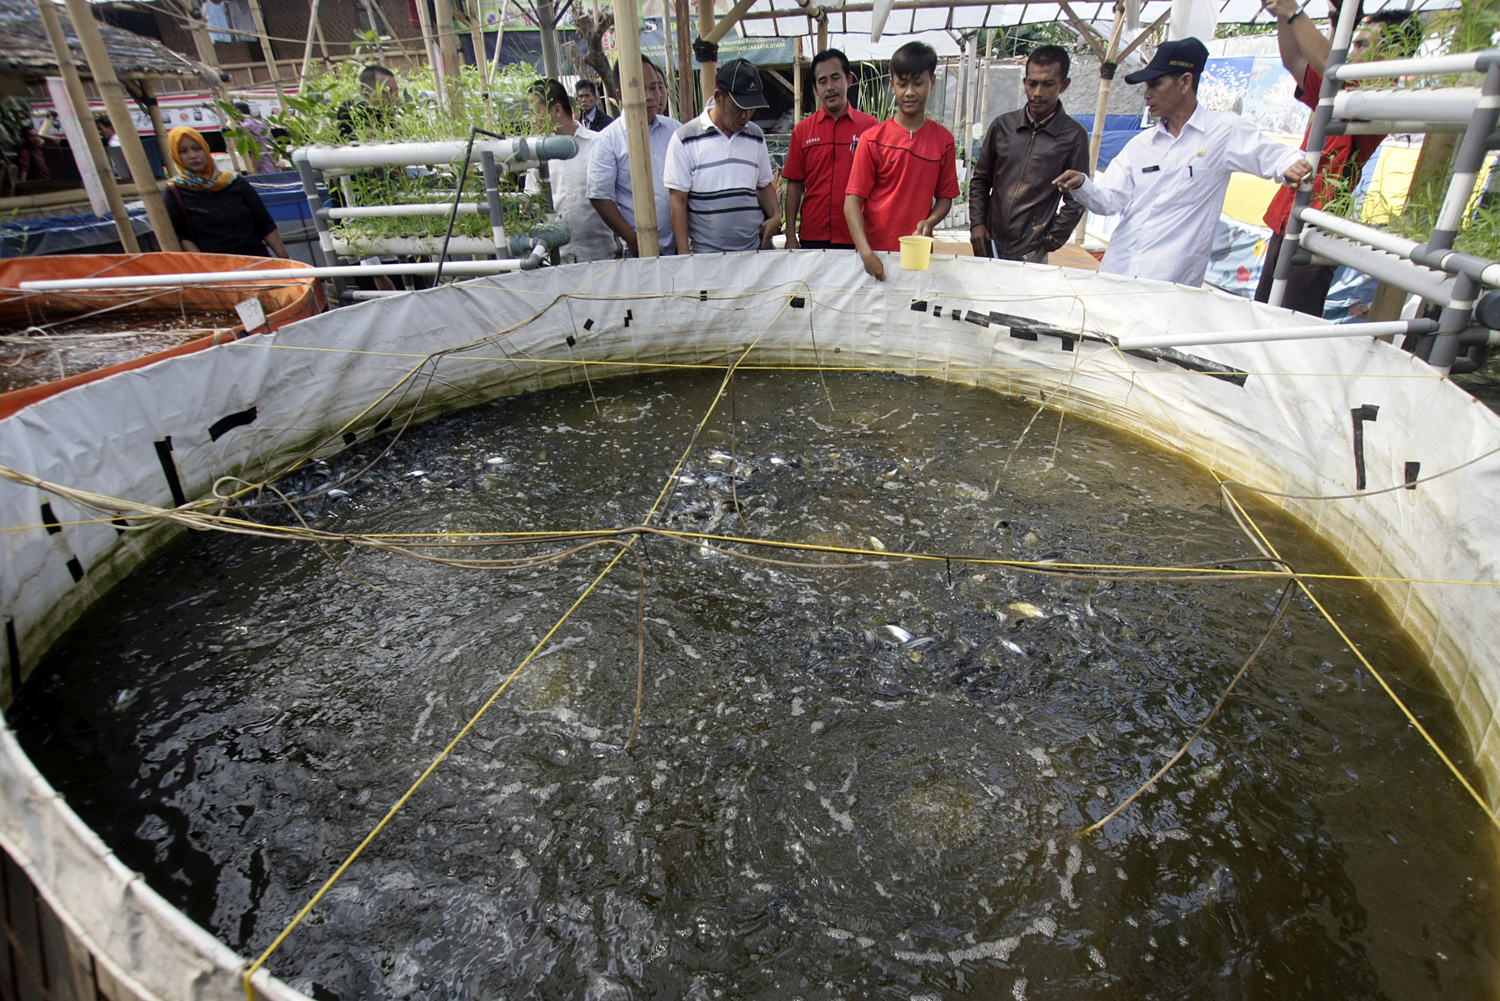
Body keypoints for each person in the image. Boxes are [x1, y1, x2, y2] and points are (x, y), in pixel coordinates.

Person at [1052, 38, 1312, 288]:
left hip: (1169, 283)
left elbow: (1277, 156)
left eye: (1156, 84)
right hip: (1118, 271)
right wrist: (1082, 185)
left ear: (1185, 81)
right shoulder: (1141, 145)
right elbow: (1108, 201)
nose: (1147, 95)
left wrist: (1290, 166)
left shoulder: (1223, 131)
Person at [1253, 3, 1413, 315]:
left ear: (1394, 53)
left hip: (1316, 227)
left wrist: (1295, 13)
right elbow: (1295, 60)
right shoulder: (1337, 88)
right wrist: (1282, 15)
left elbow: (1328, 63)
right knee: (1258, 318)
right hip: (1289, 219)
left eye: (1361, 44)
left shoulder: (1375, 92)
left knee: (1287, 332)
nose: (1352, 51)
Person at [844, 41, 960, 281]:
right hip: (875, 256)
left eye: (918, 83)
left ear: (932, 83)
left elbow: (945, 197)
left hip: (916, 258)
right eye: (902, 83)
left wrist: (931, 220)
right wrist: (866, 253)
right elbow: (852, 201)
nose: (910, 92)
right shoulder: (873, 139)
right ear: (892, 84)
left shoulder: (944, 140)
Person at [969, 44, 1090, 263]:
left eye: (1048, 84)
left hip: (1031, 254)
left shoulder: (1073, 136)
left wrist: (1048, 240)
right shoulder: (1002, 126)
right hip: (989, 244)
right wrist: (977, 223)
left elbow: (1077, 199)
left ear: (1064, 85)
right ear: (1024, 82)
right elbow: (980, 180)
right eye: (1032, 83)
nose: (1037, 93)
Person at [664, 59, 780, 255]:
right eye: (739, 107)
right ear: (718, 97)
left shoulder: (756, 135)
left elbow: (764, 185)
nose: (746, 115)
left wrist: (776, 215)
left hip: (753, 252)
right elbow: (678, 202)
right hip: (707, 256)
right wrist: (684, 259)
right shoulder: (685, 139)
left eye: (751, 109)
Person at [782, 47, 879, 250]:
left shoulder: (870, 128)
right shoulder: (803, 131)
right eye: (822, 81)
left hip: (857, 236)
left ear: (849, 80)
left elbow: (881, 183)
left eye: (836, 78)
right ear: (816, 88)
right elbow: (794, 184)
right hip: (813, 235)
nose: (830, 87)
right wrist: (791, 234)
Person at [587, 56, 681, 256]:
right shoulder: (607, 140)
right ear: (621, 95)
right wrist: (632, 240)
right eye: (640, 89)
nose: (650, 96)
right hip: (638, 251)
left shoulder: (676, 130)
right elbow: (599, 196)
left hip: (678, 248)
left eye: (655, 88)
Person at [161, 126, 288, 258]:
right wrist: (206, 270)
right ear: (176, 155)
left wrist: (286, 262)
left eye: (196, 148)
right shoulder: (175, 191)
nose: (193, 156)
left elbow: (264, 223)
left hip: (257, 262)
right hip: (217, 269)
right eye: (183, 151)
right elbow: (183, 237)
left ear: (205, 148)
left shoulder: (234, 182)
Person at [532, 79, 619, 263]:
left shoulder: (597, 144)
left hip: (600, 255)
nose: (532, 120)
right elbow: (532, 199)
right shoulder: (537, 153)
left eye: (536, 112)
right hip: (557, 258)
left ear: (556, 110)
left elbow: (619, 194)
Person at [336, 64, 402, 140]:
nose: (395, 98)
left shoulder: (400, 116)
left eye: (396, 92)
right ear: (367, 94)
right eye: (386, 91)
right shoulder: (350, 111)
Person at [232, 101, 277, 175]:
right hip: (273, 163)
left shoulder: (245, 126)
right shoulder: (260, 123)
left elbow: (254, 149)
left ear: (238, 111)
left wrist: (253, 169)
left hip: (262, 166)